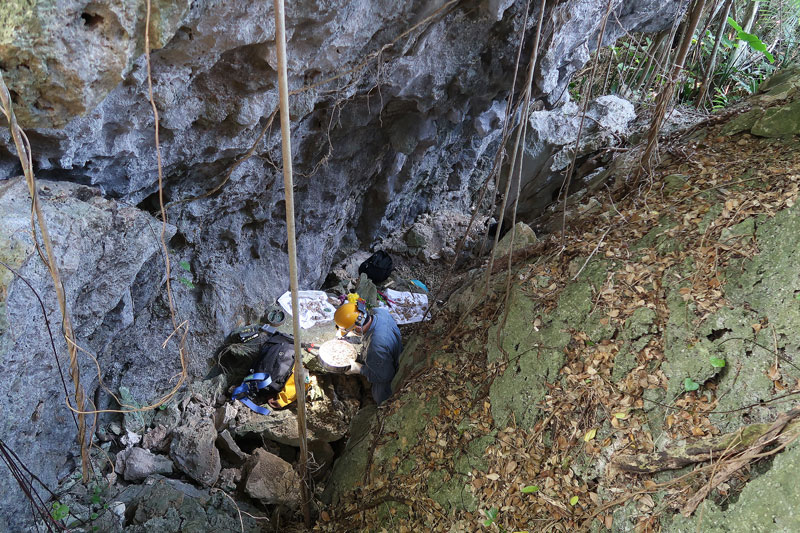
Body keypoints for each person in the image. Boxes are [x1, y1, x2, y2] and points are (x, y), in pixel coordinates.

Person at [334, 299, 402, 405]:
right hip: (392, 350)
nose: (346, 334)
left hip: (389, 377)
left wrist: (360, 369)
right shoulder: (379, 312)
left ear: (357, 328)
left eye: (347, 331)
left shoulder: (375, 347)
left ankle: (382, 407)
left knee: (380, 396)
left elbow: (384, 376)